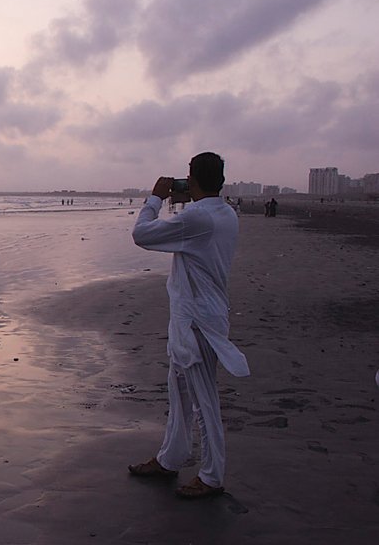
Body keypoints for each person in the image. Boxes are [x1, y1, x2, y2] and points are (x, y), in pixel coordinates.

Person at [127, 152, 250, 499]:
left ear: (191, 180)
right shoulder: (225, 213)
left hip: (197, 320)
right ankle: (171, 457)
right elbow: (189, 236)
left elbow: (142, 234)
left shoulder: (199, 218)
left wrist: (155, 198)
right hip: (200, 313)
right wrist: (184, 201)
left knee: (203, 397)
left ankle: (212, 476)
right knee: (179, 391)